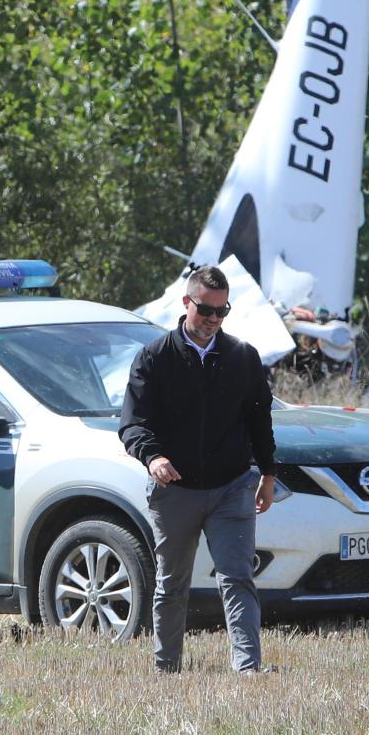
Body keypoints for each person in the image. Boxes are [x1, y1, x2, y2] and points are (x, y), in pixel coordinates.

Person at [118, 264, 276, 674]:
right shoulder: (154, 358)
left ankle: (248, 669)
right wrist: (153, 457)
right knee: (171, 586)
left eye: (222, 311)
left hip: (231, 487)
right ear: (186, 302)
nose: (213, 320)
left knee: (237, 578)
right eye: (206, 310)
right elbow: (133, 424)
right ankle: (166, 668)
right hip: (175, 490)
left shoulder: (242, 357)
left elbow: (261, 421)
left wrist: (268, 474)